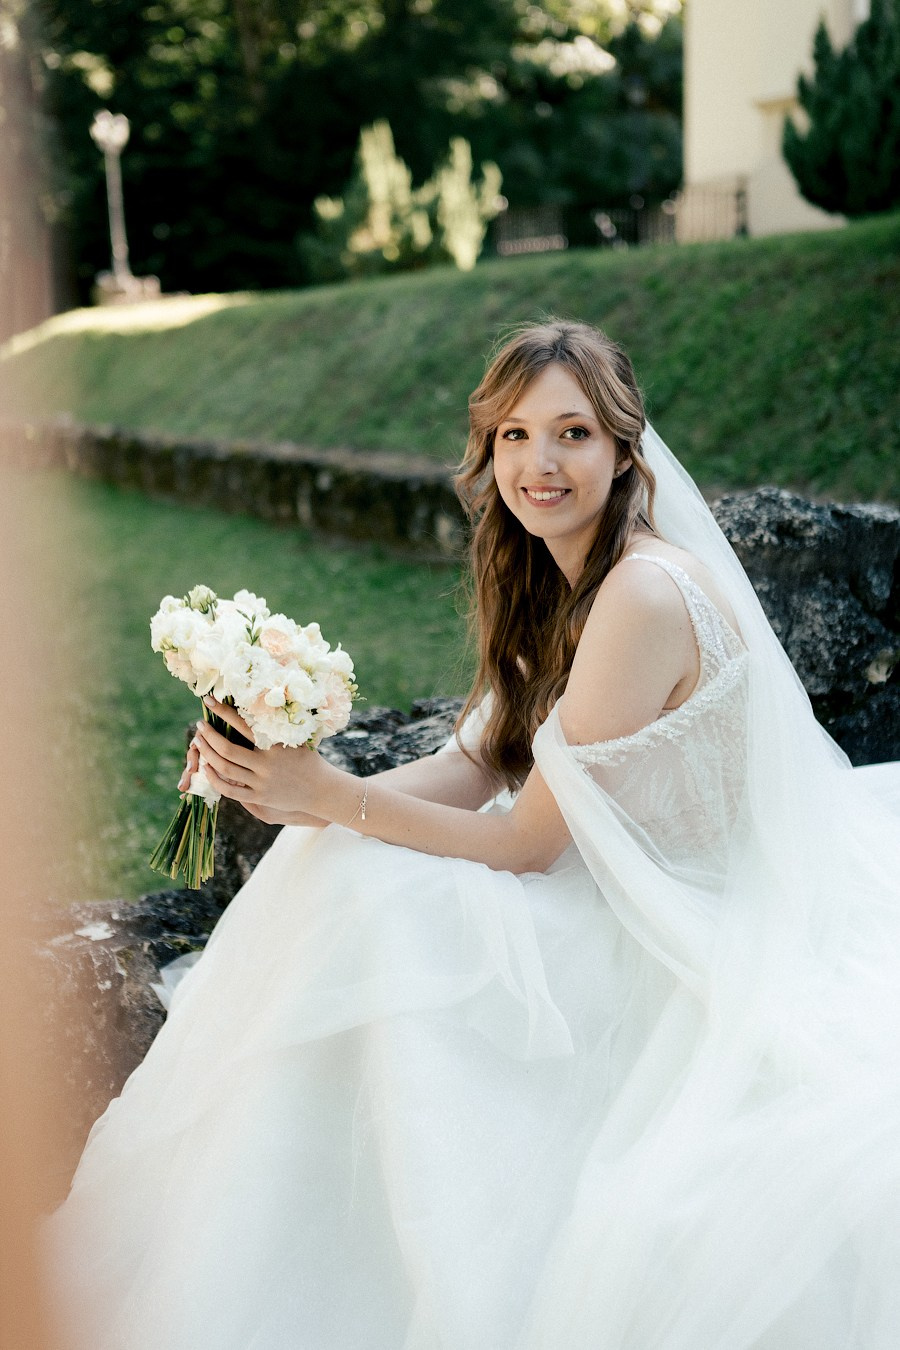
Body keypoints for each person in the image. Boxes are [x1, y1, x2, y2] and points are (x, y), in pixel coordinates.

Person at [47, 321, 900, 1349]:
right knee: (341, 858)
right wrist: (294, 795)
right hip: (602, 875)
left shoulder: (640, 592)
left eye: (574, 433)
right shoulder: (553, 575)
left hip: (678, 920)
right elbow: (482, 762)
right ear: (489, 451)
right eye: (515, 435)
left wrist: (332, 797)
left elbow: (529, 842)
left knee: (378, 895)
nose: (541, 464)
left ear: (624, 449)